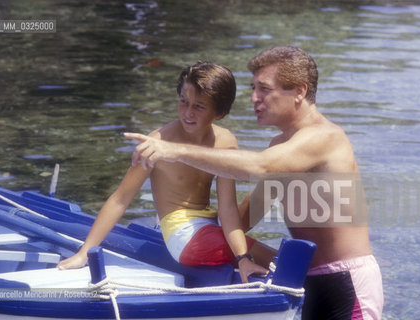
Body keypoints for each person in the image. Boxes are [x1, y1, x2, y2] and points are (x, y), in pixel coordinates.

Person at [124, 46, 384, 319]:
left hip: (347, 283)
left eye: (264, 89)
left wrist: (175, 150)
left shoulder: (325, 137)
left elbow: (259, 166)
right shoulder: (282, 146)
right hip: (309, 281)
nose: (253, 99)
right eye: (253, 88)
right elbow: (247, 214)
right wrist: (181, 226)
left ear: (299, 91)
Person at [57, 61, 270, 283]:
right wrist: (84, 253)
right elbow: (121, 198)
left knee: (269, 188)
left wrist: (242, 256)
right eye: (184, 102)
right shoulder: (157, 143)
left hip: (210, 222)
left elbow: (227, 206)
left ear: (220, 112)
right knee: (270, 255)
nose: (188, 112)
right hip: (182, 236)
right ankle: (296, 277)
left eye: (199, 106)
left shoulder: (225, 141)